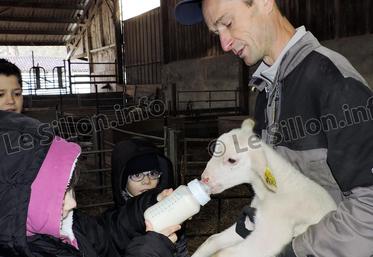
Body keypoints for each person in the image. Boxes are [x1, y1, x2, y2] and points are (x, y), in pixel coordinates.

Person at [175, 0, 373, 256]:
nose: (224, 44)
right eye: (217, 33)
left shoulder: (333, 83)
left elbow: (368, 212)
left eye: (227, 24)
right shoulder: (267, 95)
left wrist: (291, 251)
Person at [0, 110, 180, 257]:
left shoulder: (71, 227)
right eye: (58, 195)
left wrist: (149, 204)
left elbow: (106, 234)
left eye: (70, 189)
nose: (73, 203)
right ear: (20, 197)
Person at [111, 138, 189, 257]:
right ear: (122, 181)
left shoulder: (171, 214)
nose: (147, 181)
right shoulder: (112, 225)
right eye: (137, 175)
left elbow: (181, 252)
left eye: (152, 174)